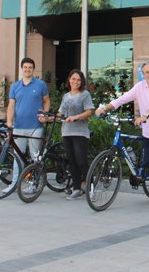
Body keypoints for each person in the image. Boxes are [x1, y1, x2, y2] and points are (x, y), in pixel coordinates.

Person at [95, 61, 149, 207]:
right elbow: (123, 98)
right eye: (146, 72)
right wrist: (105, 108)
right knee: (148, 161)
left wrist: (145, 115)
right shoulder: (139, 87)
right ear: (143, 74)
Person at [3, 57, 50, 193]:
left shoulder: (40, 84)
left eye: (30, 67)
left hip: (36, 126)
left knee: (35, 156)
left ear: (33, 69)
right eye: (25, 67)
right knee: (18, 157)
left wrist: (44, 114)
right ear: (22, 69)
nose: (27, 69)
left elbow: (47, 101)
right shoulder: (15, 86)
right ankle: (14, 184)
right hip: (19, 126)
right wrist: (9, 121)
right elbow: (11, 105)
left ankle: (34, 185)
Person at [50, 70, 94, 200]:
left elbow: (89, 111)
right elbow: (60, 114)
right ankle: (76, 189)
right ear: (69, 80)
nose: (75, 82)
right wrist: (48, 118)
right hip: (66, 132)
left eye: (78, 80)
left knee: (81, 161)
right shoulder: (66, 96)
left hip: (80, 132)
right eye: (73, 79)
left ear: (82, 82)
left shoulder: (84, 95)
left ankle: (90, 189)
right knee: (72, 162)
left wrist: (75, 117)